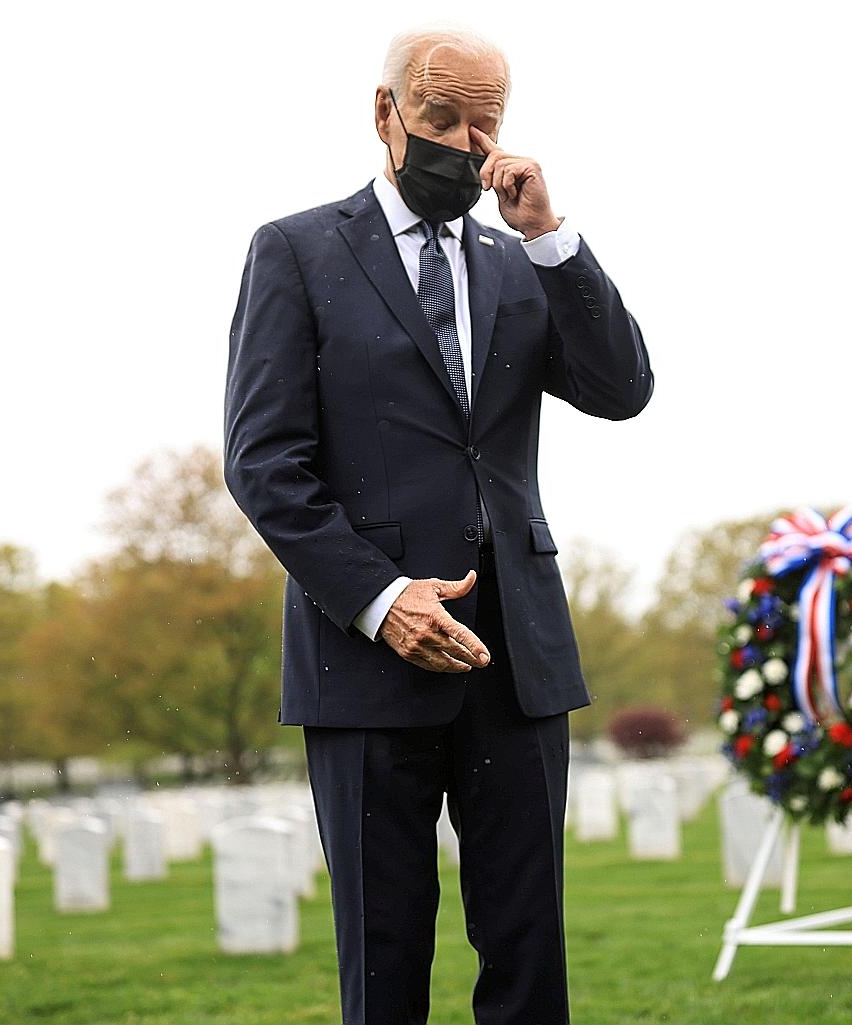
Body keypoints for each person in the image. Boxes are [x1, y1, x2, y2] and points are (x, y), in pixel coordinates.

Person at [222, 22, 654, 1024]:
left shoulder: (518, 266)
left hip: (519, 655)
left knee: (528, 954)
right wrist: (379, 599)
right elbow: (263, 461)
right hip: (366, 664)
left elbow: (621, 386)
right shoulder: (295, 252)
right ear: (386, 114)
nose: (462, 140)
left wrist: (551, 236)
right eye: (440, 116)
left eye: (484, 123)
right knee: (384, 962)